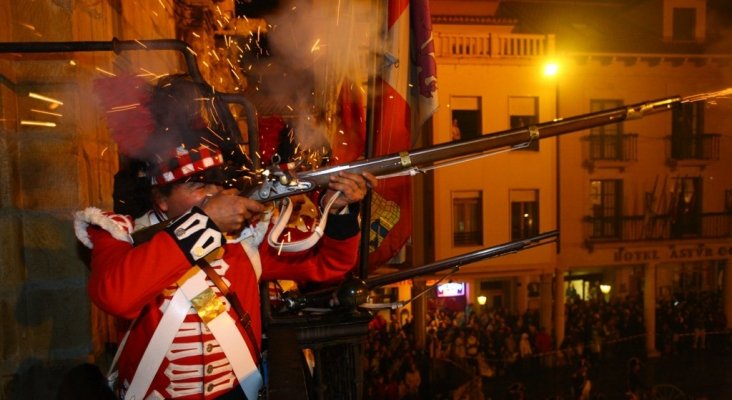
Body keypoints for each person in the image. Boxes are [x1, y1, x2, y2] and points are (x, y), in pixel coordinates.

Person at [74, 74, 376, 399]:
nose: (214, 196)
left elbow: (328, 263)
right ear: (161, 198)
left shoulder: (243, 240)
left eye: (217, 185)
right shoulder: (121, 235)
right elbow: (115, 295)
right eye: (198, 186)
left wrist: (339, 210)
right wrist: (204, 224)